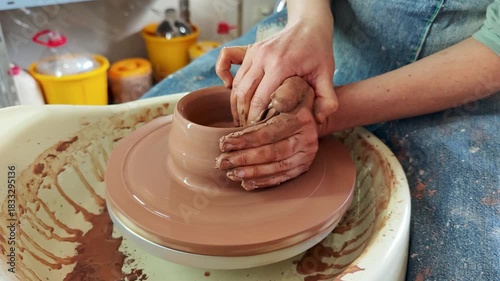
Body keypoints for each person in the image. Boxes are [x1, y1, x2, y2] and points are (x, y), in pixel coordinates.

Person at [143, 0, 499, 280]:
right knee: (149, 110)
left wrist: (320, 116)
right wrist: (307, 24)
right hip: (327, 37)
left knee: (464, 259)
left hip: (462, 88)